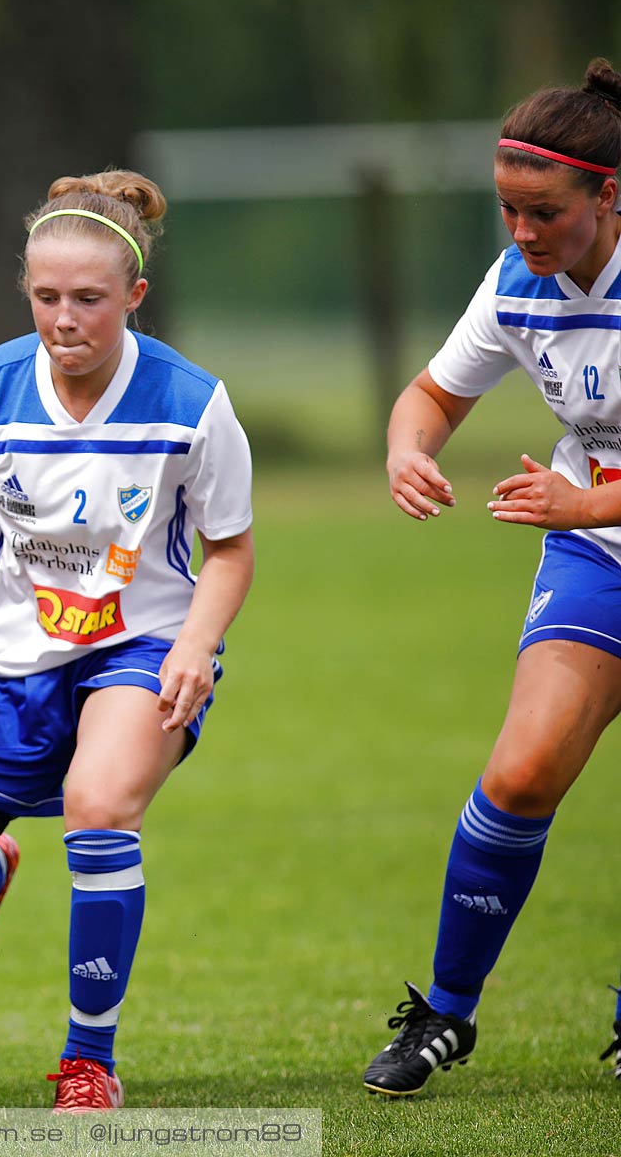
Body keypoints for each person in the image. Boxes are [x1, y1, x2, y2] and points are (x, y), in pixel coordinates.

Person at [0, 170, 256, 1113]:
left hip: (142, 647)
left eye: (89, 299)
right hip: (9, 657)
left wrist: (198, 643)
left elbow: (230, 551)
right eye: (45, 298)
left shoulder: (190, 401)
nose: (64, 318)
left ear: (134, 297)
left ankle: (88, 1061)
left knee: (99, 804)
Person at [362, 58, 621, 1098]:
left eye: (543, 212)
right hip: (598, 553)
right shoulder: (519, 279)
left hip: (588, 519)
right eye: (507, 209)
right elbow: (429, 393)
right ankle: (447, 1015)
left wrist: (588, 502)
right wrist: (407, 448)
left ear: (611, 194)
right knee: (518, 776)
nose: (521, 233)